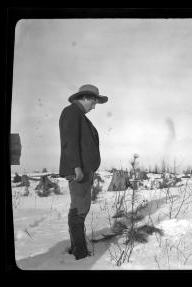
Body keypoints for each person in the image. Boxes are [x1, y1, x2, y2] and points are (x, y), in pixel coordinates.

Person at [59, 84, 108, 260]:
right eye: (94, 101)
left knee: (80, 208)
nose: (94, 106)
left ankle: (77, 248)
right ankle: (80, 253)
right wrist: (76, 166)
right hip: (79, 170)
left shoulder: (79, 115)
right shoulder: (71, 112)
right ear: (86, 97)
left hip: (84, 170)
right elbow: (69, 141)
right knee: (79, 210)